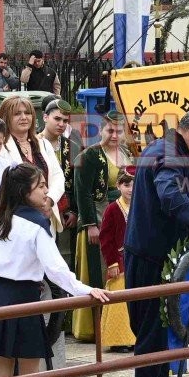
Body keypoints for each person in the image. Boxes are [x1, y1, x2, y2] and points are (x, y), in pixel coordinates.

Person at [0, 162, 108, 377]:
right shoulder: (35, 223)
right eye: (41, 186)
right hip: (23, 297)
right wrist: (85, 290)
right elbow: (56, 269)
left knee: (1, 374)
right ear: (25, 191)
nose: (47, 191)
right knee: (28, 375)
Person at [122, 103, 189, 377]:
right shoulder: (168, 154)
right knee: (150, 335)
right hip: (149, 258)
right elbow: (170, 194)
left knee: (158, 333)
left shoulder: (173, 150)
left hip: (159, 256)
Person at [72, 112, 129, 341]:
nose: (114, 135)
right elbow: (82, 192)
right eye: (110, 130)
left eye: (119, 131)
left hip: (120, 216)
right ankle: (94, 328)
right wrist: (90, 224)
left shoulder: (126, 154)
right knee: (100, 271)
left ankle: (116, 325)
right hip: (96, 216)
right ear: (101, 130)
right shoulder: (89, 155)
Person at [97, 170, 138, 349]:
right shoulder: (113, 209)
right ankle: (119, 339)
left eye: (134, 185)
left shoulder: (141, 206)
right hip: (119, 261)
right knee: (120, 300)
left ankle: (135, 337)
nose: (130, 189)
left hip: (136, 259)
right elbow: (106, 238)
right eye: (126, 185)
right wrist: (112, 262)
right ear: (118, 186)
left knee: (136, 298)